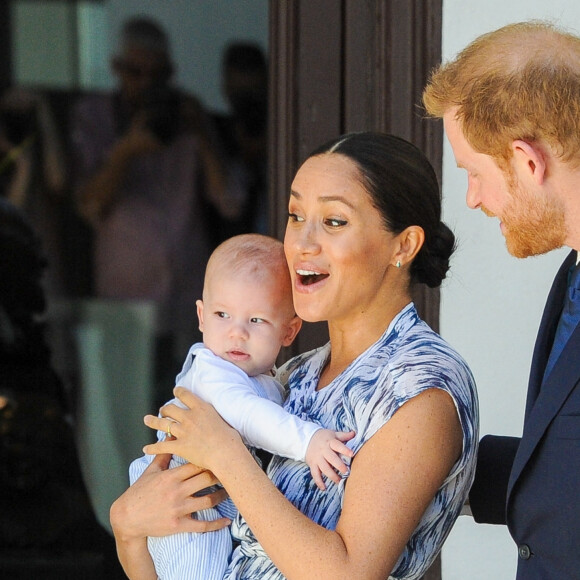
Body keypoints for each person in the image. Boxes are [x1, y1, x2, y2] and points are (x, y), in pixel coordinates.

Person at [110, 132, 479, 580]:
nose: (303, 243)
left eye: (335, 222)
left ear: (403, 246)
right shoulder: (294, 374)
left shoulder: (421, 389)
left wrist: (227, 456)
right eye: (296, 214)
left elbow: (348, 574)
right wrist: (128, 528)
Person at [422, 19, 580, 580]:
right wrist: (419, 462)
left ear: (527, 161)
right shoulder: (572, 273)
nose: (473, 199)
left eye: (474, 173)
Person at [129, 233, 354, 580]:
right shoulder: (212, 372)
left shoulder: (268, 377)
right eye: (222, 314)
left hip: (214, 497)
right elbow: (250, 416)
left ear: (289, 332)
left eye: (256, 320)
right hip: (184, 497)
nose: (237, 333)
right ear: (201, 317)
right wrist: (309, 441)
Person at [70, 16, 244, 406]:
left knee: (190, 407)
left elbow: (230, 200)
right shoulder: (95, 116)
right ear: (116, 70)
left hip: (187, 299)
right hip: (124, 303)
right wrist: (126, 151)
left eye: (157, 74)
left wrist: (200, 132)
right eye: (135, 72)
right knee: (126, 409)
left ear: (170, 74)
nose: (146, 84)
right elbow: (88, 205)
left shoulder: (186, 116)